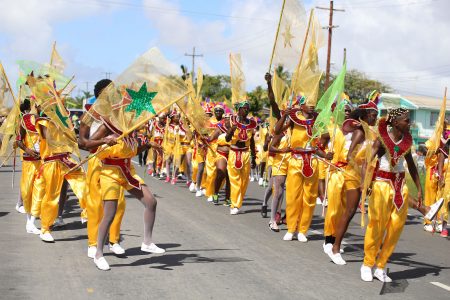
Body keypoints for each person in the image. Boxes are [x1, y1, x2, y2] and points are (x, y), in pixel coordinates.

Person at [361, 108, 423, 283]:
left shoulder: (407, 142)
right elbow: (367, 161)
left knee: (395, 228)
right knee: (377, 225)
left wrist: (419, 189)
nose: (409, 123)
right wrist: (365, 183)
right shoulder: (381, 139)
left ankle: (380, 266)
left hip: (400, 186)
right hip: (381, 184)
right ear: (395, 123)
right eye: (406, 120)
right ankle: (367, 264)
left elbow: (411, 165)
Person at [78, 79, 128, 258]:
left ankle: (114, 240)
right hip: (96, 161)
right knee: (95, 204)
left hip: (117, 162)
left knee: (119, 203)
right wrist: (103, 141)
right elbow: (82, 143)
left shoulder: (119, 113)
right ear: (100, 94)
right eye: (109, 91)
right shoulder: (91, 114)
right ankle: (93, 243)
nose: (114, 93)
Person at [274, 97, 333, 242]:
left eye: (314, 103)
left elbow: (322, 140)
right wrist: (285, 115)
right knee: (293, 196)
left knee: (309, 197)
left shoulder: (318, 120)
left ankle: (302, 230)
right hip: (295, 161)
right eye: (309, 103)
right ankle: (291, 228)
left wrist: (326, 154)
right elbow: (277, 130)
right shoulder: (294, 119)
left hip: (312, 162)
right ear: (301, 106)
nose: (312, 106)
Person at [16, 98, 43, 234]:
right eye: (38, 104)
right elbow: (18, 140)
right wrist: (27, 150)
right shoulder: (24, 121)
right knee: (27, 192)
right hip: (28, 161)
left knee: (39, 191)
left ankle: (32, 222)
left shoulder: (44, 121)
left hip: (41, 162)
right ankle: (28, 221)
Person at [225, 101, 257, 215]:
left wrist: (254, 157)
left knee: (244, 181)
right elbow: (227, 139)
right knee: (235, 180)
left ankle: (238, 203)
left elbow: (252, 141)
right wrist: (231, 130)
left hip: (246, 154)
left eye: (248, 108)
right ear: (238, 109)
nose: (246, 110)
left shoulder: (252, 124)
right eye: (244, 108)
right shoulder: (231, 121)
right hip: (234, 152)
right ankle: (234, 204)